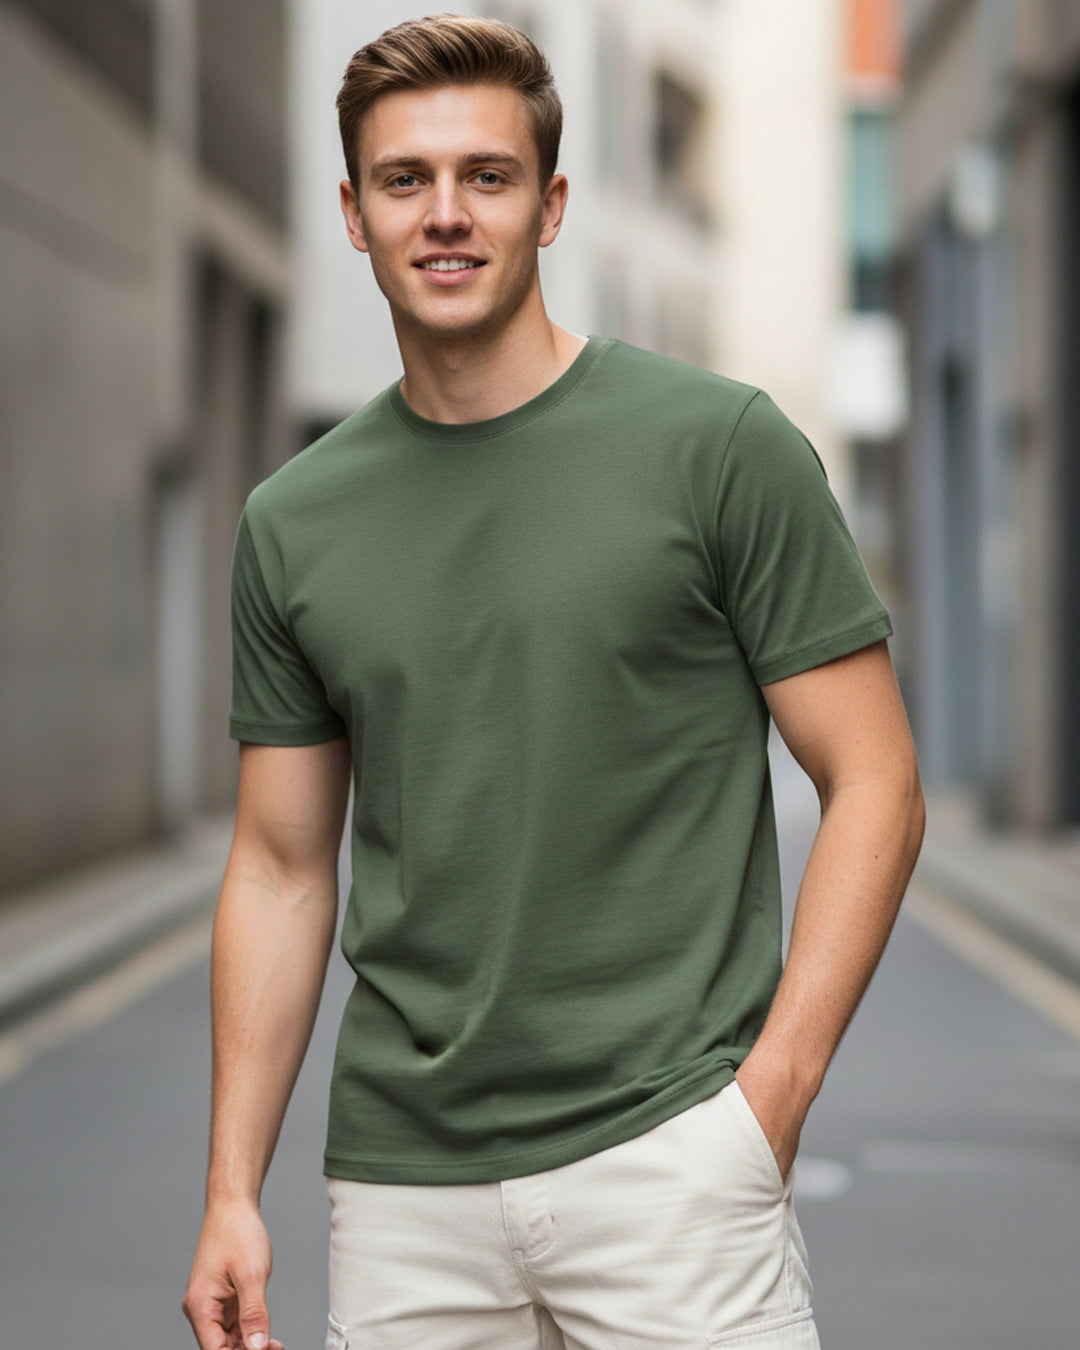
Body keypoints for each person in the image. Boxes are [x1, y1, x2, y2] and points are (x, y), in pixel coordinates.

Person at [183, 15, 925, 1350]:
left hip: (676, 1171)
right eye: (405, 181)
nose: (447, 213)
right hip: (405, 1198)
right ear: (353, 214)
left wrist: (770, 1103)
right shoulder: (293, 521)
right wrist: (232, 1186)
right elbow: (281, 865)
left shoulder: (721, 449)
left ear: (553, 202)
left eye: (489, 174)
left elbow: (874, 775)